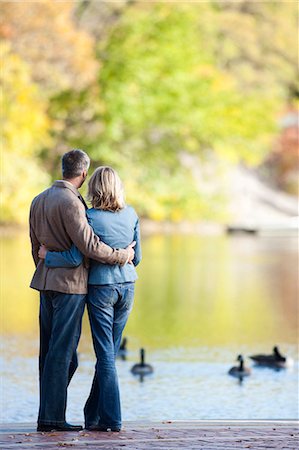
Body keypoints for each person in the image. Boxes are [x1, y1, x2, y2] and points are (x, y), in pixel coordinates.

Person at [29, 150, 135, 432]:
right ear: (84, 173)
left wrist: (46, 264)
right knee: (63, 353)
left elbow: (35, 247)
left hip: (45, 283)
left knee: (51, 352)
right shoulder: (72, 203)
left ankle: (48, 414)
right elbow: (88, 247)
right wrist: (121, 255)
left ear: (63, 168)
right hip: (71, 287)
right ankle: (52, 418)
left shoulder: (38, 200)